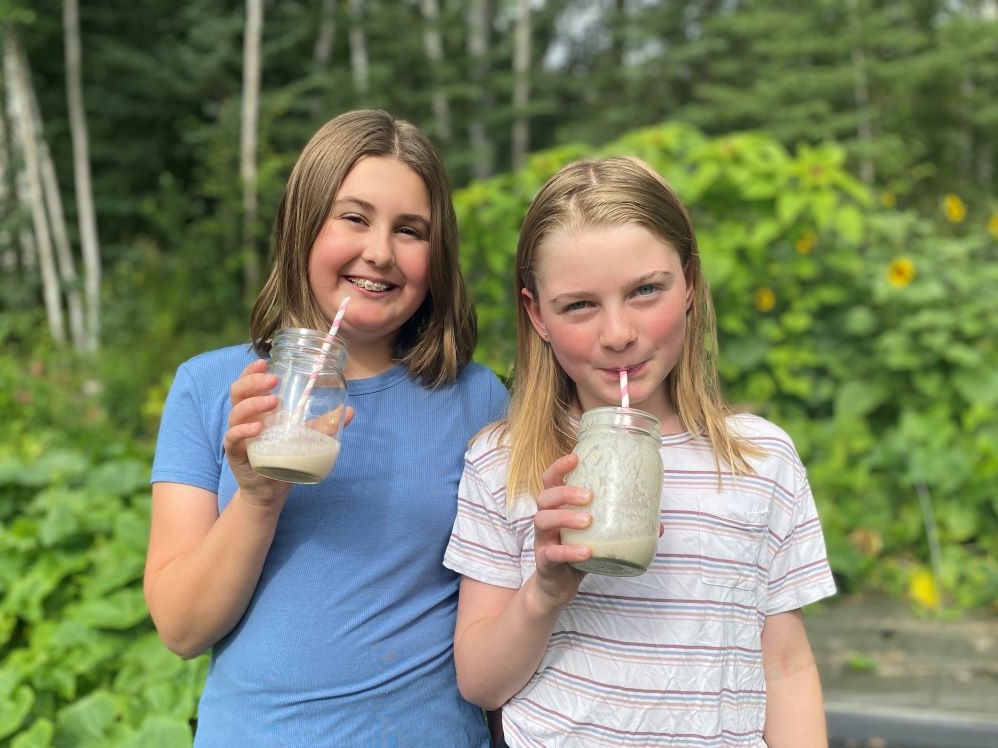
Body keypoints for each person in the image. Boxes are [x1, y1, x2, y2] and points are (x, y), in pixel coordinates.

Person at [144, 109, 509, 747]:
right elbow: (181, 629)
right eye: (355, 217)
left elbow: (500, 624)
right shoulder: (211, 388)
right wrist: (259, 496)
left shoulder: (477, 401)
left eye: (411, 230)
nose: (380, 251)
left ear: (438, 254)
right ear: (302, 224)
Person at [443, 156, 836, 747]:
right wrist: (544, 593)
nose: (619, 333)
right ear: (536, 315)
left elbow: (786, 668)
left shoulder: (761, 461)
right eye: (579, 305)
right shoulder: (503, 463)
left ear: (689, 287)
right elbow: (481, 684)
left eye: (646, 290)